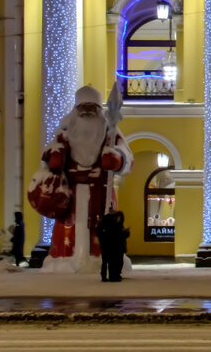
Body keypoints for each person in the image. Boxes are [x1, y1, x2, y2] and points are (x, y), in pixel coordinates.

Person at [28, 85, 133, 272]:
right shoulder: (65, 131)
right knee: (68, 229)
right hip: (70, 193)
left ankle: (101, 258)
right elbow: (48, 153)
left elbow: (127, 156)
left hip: (100, 190)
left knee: (101, 228)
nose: (87, 112)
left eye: (91, 107)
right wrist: (54, 156)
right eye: (83, 107)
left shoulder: (109, 131)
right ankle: (64, 258)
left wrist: (117, 159)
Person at [97, 210, 129, 282]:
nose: (119, 219)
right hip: (112, 245)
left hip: (107, 245)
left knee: (106, 261)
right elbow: (118, 234)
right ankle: (112, 276)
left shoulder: (107, 223)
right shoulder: (113, 224)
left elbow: (99, 231)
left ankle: (106, 276)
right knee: (111, 261)